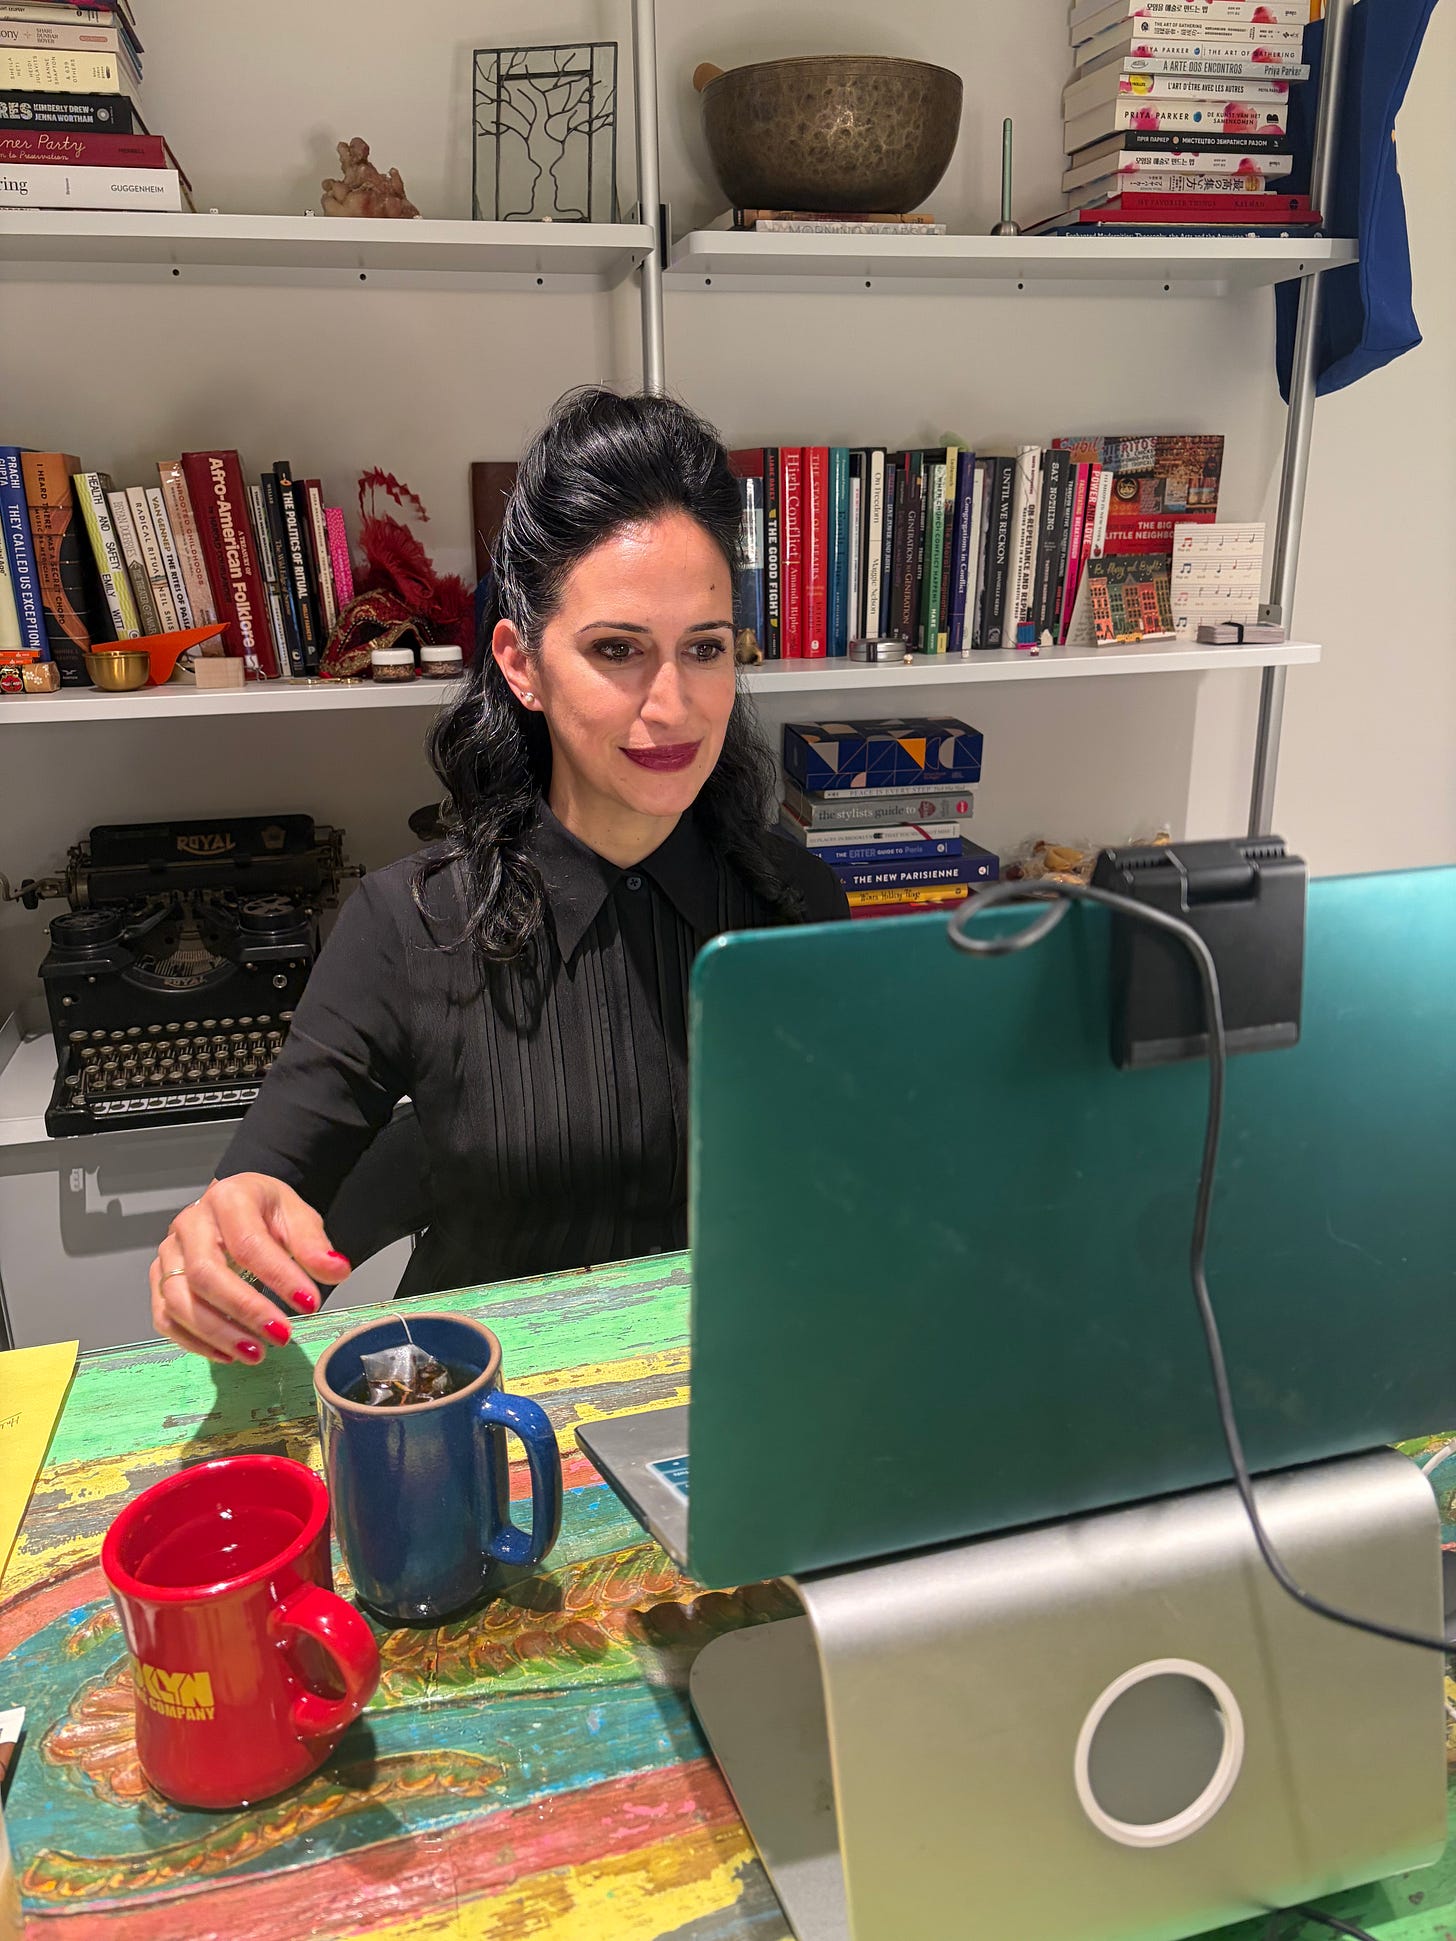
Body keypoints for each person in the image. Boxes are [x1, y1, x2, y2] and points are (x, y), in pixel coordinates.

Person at [150, 388, 847, 1365]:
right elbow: (259, 1197)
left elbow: (844, 1184)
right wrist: (215, 1249)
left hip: (732, 1394)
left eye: (705, 648)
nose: (674, 704)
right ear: (521, 665)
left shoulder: (797, 902)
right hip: (480, 1414)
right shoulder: (404, 925)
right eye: (617, 650)